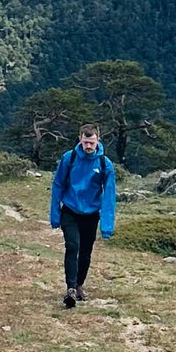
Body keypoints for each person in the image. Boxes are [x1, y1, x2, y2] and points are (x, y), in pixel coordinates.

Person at [49, 122, 117, 308]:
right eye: (85, 142)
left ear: (98, 141)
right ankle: (70, 288)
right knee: (72, 246)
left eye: (92, 143)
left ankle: (79, 285)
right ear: (80, 139)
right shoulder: (69, 158)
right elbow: (58, 185)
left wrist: (107, 226)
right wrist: (54, 214)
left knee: (85, 253)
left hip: (91, 214)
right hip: (70, 211)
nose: (88, 146)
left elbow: (109, 195)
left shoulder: (105, 164)